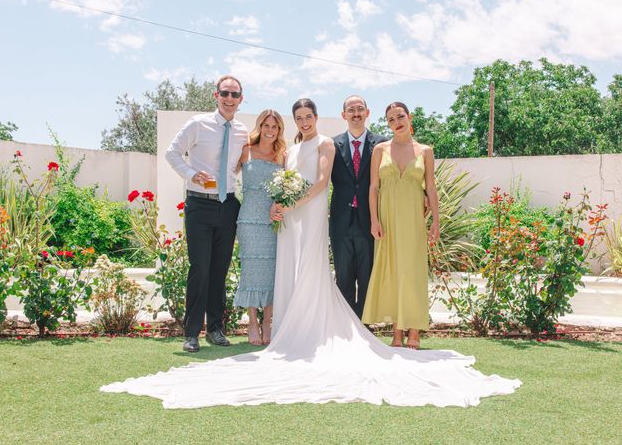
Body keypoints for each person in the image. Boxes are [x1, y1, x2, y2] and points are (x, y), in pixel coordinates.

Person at [102, 98, 520, 408]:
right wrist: (278, 202)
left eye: (308, 117)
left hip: (310, 212)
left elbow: (322, 183)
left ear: (317, 119)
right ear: (294, 122)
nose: (303, 122)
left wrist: (294, 203)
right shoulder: (288, 150)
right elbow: (259, 173)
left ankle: (321, 327)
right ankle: (282, 327)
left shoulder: (324, 145)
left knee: (313, 269)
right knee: (289, 268)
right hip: (289, 216)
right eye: (298, 118)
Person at [164, 75, 248, 353]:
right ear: (216, 95)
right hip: (199, 204)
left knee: (219, 271)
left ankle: (215, 329)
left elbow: (238, 166)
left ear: (240, 99)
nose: (229, 98)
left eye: (234, 94)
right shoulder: (197, 124)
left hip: (228, 205)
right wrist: (190, 174)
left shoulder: (242, 131)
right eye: (225, 93)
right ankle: (191, 334)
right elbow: (172, 153)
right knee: (200, 268)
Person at [363, 102, 440, 349]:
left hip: (413, 220)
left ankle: (414, 330)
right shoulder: (380, 150)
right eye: (391, 119)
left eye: (400, 116)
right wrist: (374, 219)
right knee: (393, 271)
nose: (396, 122)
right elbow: (373, 187)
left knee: (413, 272)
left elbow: (431, 186)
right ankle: (397, 330)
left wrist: (436, 221)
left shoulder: (425, 151)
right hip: (386, 220)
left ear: (409, 118)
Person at [329, 95, 387, 318]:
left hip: (370, 219)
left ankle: (365, 324)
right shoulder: (333, 144)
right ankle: (345, 323)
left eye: (360, 109)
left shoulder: (382, 143)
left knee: (367, 274)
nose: (355, 114)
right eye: (350, 110)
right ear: (343, 115)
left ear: (367, 112)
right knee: (343, 275)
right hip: (340, 219)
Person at [234, 110, 286, 346]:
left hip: (273, 221)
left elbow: (286, 189)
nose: (270, 130)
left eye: (275, 126)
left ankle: (268, 322)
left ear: (279, 129)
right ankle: (253, 322)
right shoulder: (246, 150)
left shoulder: (282, 155)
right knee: (251, 271)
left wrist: (279, 205)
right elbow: (224, 170)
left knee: (272, 271)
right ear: (260, 126)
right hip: (248, 220)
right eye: (266, 125)